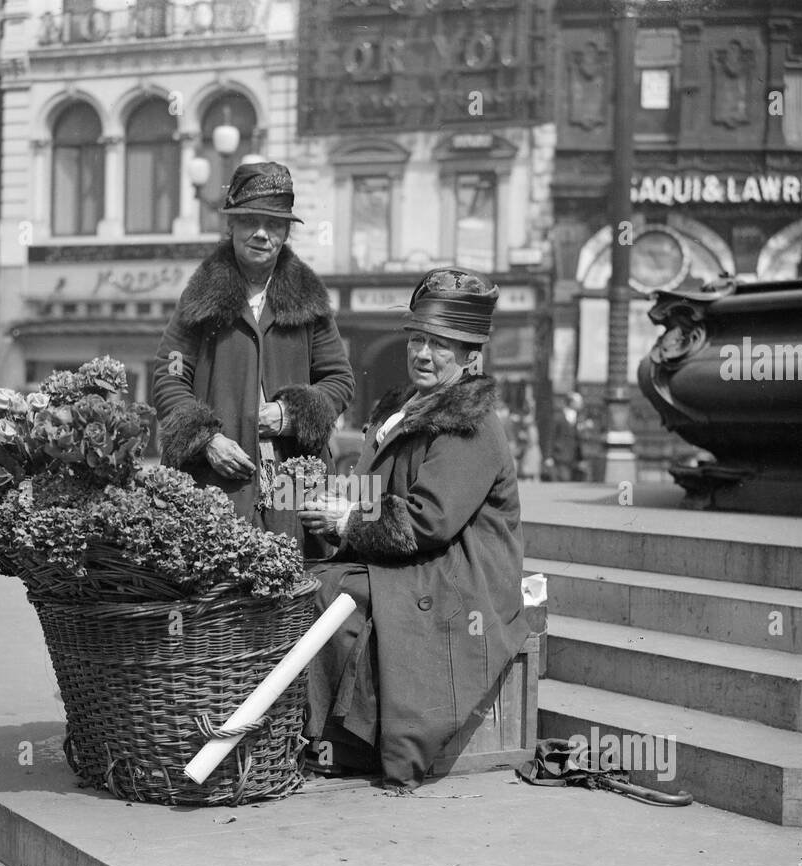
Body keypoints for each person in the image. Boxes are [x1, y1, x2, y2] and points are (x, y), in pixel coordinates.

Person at [297, 268, 532, 791]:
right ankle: (325, 731)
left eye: (441, 344)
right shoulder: (412, 406)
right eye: (418, 339)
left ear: (471, 353)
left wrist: (348, 520)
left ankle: (350, 741)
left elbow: (428, 521)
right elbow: (386, 490)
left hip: (461, 574)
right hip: (424, 559)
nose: (423, 353)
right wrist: (345, 501)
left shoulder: (469, 424)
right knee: (316, 581)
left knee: (339, 591)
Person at [152, 160, 354, 555]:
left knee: (294, 594)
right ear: (232, 226)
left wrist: (292, 415)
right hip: (214, 486)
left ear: (285, 233)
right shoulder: (201, 298)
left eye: (274, 224)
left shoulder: (309, 300)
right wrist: (205, 438)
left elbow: (339, 379)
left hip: (293, 490)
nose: (261, 234)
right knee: (216, 599)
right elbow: (169, 373)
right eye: (250, 221)